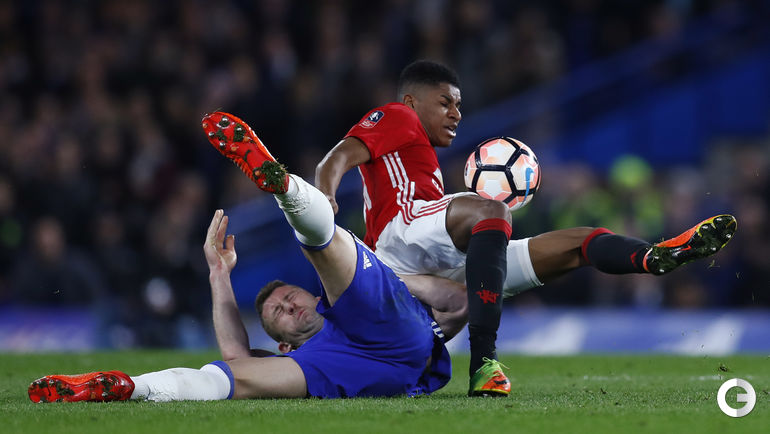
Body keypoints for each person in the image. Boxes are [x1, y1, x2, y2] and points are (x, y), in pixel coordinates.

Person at [314, 60, 738, 396]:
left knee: (578, 243)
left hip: (433, 257)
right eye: (445, 103)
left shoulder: (418, 152)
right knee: (492, 211)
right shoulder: (396, 116)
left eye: (459, 105)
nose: (456, 114)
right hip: (400, 237)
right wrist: (326, 196)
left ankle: (652, 256)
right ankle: (484, 361)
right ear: (411, 100)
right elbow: (336, 157)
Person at [27, 113, 458, 402]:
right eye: (278, 314)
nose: (287, 305)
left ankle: (283, 186)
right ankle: (129, 387)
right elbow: (236, 359)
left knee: (325, 247)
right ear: (283, 344)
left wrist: (397, 282)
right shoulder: (298, 359)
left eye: (288, 298)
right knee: (227, 378)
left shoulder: (349, 302)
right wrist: (219, 273)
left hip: (389, 327)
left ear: (313, 297)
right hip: (338, 366)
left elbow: (457, 298)